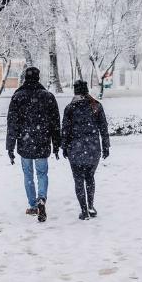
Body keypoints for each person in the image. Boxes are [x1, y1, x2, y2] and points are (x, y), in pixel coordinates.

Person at [6, 67, 61, 223]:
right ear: (38, 78)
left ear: (25, 78)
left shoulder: (17, 97)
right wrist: (56, 144)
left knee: (28, 174)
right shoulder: (48, 97)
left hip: (25, 142)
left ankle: (32, 205)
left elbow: (12, 124)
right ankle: (41, 199)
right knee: (42, 173)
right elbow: (55, 123)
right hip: (42, 142)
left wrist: (10, 146)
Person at [61, 80, 109, 220]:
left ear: (75, 91)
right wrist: (105, 146)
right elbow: (104, 128)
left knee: (78, 180)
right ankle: (91, 206)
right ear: (86, 90)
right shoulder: (96, 106)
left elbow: (65, 130)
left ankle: (84, 210)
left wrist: (64, 147)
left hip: (75, 149)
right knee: (90, 178)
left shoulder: (70, 108)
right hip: (93, 149)